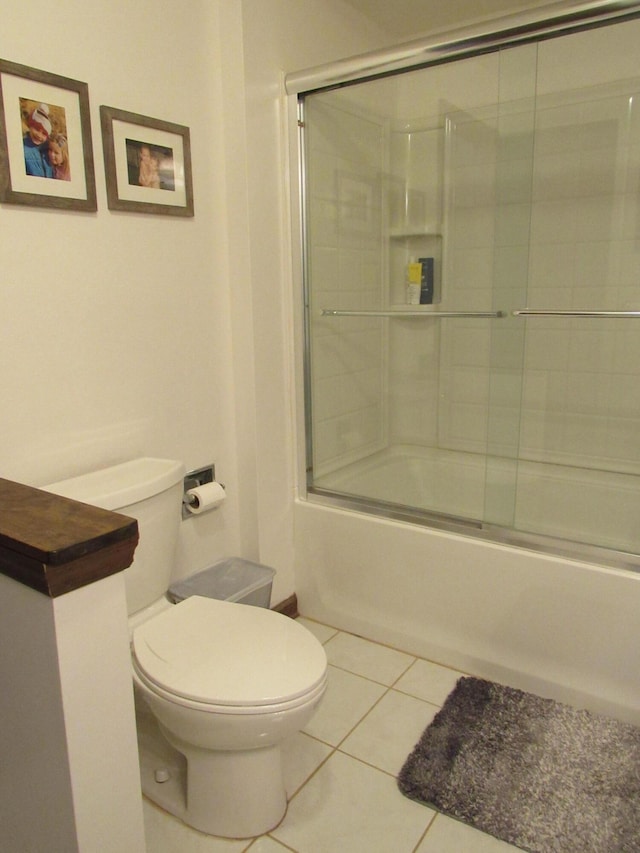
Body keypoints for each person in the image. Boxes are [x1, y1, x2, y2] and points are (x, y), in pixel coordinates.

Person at [23, 103, 54, 178]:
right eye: (36, 129)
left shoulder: (49, 150)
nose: (39, 135)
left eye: (44, 133)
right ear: (30, 126)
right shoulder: (23, 148)